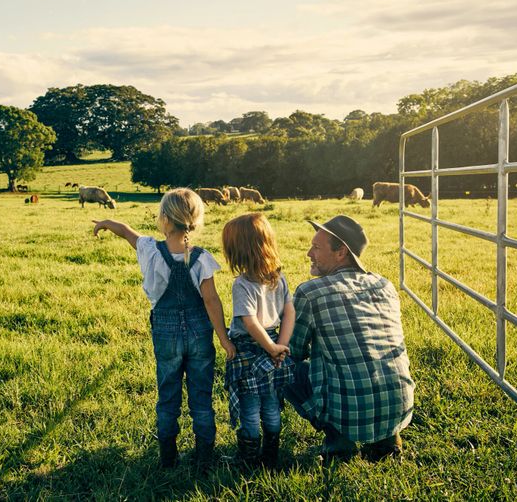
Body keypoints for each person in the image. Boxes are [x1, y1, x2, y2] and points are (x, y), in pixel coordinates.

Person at [92, 187, 236, 469]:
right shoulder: (202, 257)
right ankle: (205, 457)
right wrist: (224, 339)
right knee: (202, 397)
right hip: (199, 333)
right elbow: (211, 300)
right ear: (194, 220)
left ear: (165, 220)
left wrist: (106, 223)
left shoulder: (149, 250)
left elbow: (126, 232)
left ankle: (168, 457)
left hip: (166, 333)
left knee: (168, 394)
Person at [283, 215, 415, 461]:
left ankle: (338, 439)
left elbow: (292, 351)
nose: (308, 253)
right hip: (400, 408)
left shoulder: (311, 292)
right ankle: (386, 439)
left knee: (281, 365)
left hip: (350, 413)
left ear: (341, 251)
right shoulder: (384, 285)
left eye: (316, 247)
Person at [221, 213, 294, 469]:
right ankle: (271, 455)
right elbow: (289, 313)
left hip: (250, 351)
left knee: (250, 408)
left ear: (239, 251)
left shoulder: (242, 284)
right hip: (274, 345)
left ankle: (249, 459)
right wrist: (279, 346)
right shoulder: (279, 277)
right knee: (272, 403)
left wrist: (272, 347)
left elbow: (250, 323)